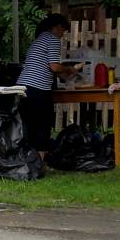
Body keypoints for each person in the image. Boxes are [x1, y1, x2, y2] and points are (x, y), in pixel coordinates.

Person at [17, 13, 82, 160]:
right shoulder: (52, 40)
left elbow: (46, 67)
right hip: (38, 88)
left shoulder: (40, 39)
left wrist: (65, 75)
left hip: (23, 86)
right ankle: (40, 161)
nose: (62, 35)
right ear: (57, 27)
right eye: (63, 31)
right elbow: (54, 67)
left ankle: (27, 160)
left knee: (29, 125)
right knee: (43, 124)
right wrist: (69, 69)